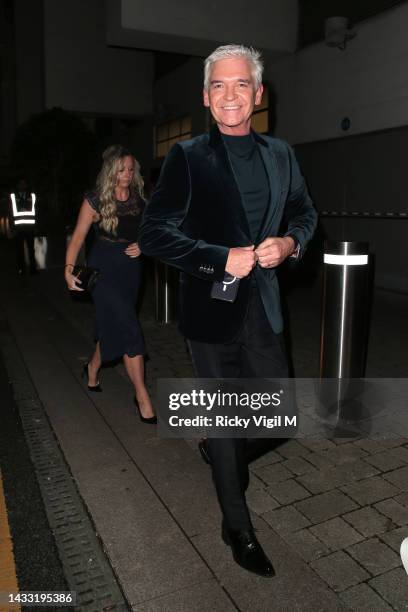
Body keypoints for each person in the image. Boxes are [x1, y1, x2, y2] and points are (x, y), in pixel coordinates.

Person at [139, 44, 317, 575]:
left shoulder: (281, 154)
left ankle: (223, 451)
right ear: (206, 96)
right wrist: (219, 258)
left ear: (258, 93)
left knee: (280, 416)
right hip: (211, 309)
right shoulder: (188, 156)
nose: (231, 94)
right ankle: (236, 526)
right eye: (220, 85)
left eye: (242, 84)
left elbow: (305, 213)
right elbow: (154, 233)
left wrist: (290, 245)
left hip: (263, 304)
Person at [65, 145, 156, 424]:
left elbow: (152, 231)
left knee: (114, 326)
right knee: (129, 325)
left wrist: (143, 245)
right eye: (121, 169)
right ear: (110, 171)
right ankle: (142, 396)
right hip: (103, 268)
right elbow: (78, 238)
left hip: (130, 269)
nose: (126, 174)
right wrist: (68, 270)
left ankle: (92, 368)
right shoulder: (94, 200)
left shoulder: (140, 199)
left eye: (130, 169)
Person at [9, 177, 37, 274]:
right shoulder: (13, 196)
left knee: (31, 250)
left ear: (26, 185)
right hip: (18, 228)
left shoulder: (32, 195)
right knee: (19, 250)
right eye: (20, 184)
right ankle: (21, 269)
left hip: (30, 228)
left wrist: (37, 226)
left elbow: (37, 211)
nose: (22, 185)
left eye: (24, 183)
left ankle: (33, 269)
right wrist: (11, 228)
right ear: (17, 185)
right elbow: (10, 213)